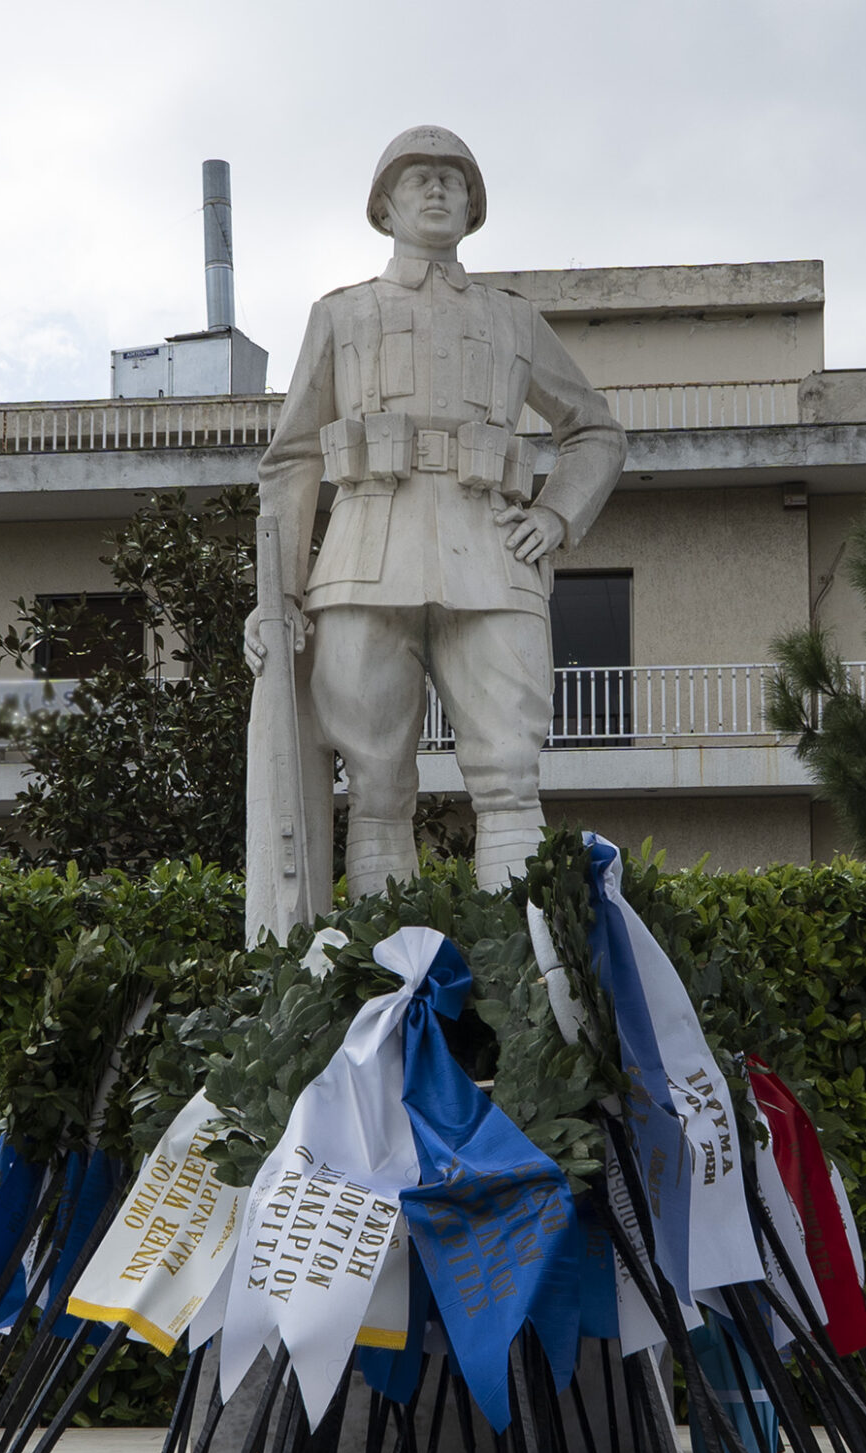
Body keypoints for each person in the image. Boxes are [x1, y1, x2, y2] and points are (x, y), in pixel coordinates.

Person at [247, 126, 627, 899]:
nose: (436, 189)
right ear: (383, 206)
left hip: (492, 559)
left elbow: (594, 430)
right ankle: (385, 965)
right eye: (416, 176)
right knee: (376, 787)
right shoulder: (342, 315)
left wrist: (555, 516)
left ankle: (530, 957)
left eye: (453, 179)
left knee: (510, 777)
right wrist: (278, 595)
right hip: (362, 562)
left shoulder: (513, 319)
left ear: (473, 206)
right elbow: (292, 459)